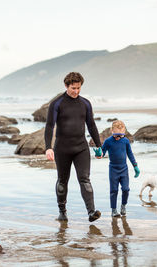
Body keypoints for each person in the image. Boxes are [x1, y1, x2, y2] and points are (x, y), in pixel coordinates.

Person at [45, 72, 102, 222]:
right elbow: (50, 126)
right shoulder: (57, 103)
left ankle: (91, 212)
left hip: (81, 148)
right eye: (73, 88)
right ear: (66, 86)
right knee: (62, 181)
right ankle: (62, 211)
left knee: (85, 179)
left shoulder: (85, 103)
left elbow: (91, 125)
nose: (76, 91)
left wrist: (99, 145)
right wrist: (48, 147)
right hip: (62, 148)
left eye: (78, 88)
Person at [101, 120, 140, 217]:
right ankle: (114, 210)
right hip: (113, 169)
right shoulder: (108, 141)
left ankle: (123, 205)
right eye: (117, 135)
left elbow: (130, 154)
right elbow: (102, 153)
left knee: (126, 189)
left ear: (124, 132)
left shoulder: (126, 141)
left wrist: (135, 166)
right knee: (114, 190)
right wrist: (99, 154)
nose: (118, 137)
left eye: (121, 135)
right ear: (112, 131)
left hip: (124, 169)